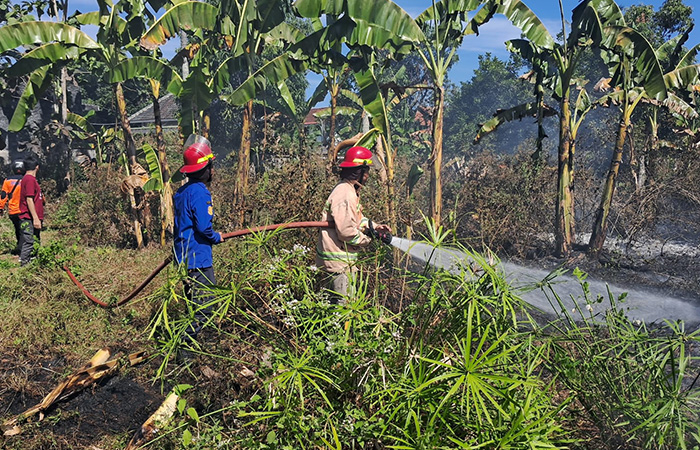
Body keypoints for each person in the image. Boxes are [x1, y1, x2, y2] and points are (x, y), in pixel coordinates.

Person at [316, 146, 392, 302]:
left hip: (342, 263)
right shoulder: (345, 193)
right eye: (367, 171)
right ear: (360, 172)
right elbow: (346, 231)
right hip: (339, 264)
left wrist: (374, 227)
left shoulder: (349, 191)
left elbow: (356, 219)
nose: (368, 176)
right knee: (342, 310)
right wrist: (368, 239)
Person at [173, 136, 223, 347]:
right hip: (199, 260)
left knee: (192, 305)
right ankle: (187, 351)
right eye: (210, 166)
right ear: (203, 170)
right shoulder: (201, 193)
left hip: (183, 258)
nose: (212, 171)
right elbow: (203, 227)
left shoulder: (181, 191)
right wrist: (216, 237)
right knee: (204, 308)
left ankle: (194, 346)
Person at [18, 156, 43, 266]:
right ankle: (24, 264)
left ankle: (34, 262)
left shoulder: (29, 179)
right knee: (29, 241)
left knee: (35, 241)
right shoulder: (29, 179)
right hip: (28, 217)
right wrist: (35, 218)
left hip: (31, 217)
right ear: (37, 167)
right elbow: (29, 199)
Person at [0, 160, 26, 255]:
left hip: (13, 211)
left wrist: (1, 208)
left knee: (17, 229)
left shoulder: (7, 181)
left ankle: (20, 247)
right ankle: (23, 249)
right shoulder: (26, 180)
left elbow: (3, 195)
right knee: (25, 230)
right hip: (24, 210)